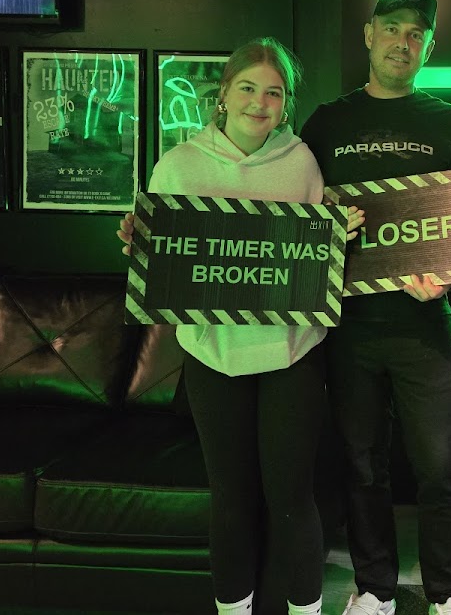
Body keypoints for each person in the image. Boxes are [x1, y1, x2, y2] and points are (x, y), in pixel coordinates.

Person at [117, 37, 362, 615]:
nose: (260, 102)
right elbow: (164, 264)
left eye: (274, 93)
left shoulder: (301, 162)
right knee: (229, 498)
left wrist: (339, 235)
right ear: (223, 94)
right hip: (213, 355)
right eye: (248, 88)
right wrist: (140, 246)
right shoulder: (178, 165)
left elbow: (313, 261)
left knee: (292, 498)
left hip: (292, 355)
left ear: (286, 103)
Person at [299, 0, 451, 615]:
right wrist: (324, 217)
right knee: (361, 465)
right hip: (347, 326)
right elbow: (293, 214)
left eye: (416, 33)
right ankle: (374, 588)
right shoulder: (327, 123)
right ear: (368, 34)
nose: (402, 42)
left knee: (440, 468)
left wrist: (450, 277)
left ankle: (448, 594)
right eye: (392, 28)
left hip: (426, 325)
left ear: (429, 46)